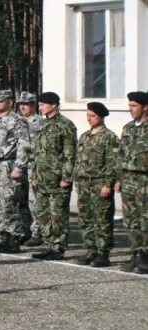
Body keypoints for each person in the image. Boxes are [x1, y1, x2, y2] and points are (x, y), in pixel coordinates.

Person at [30, 92, 77, 261]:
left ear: (54, 105)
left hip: (57, 180)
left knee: (58, 216)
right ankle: (49, 245)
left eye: (43, 104)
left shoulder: (66, 125)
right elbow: (37, 152)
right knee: (43, 215)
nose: (40, 107)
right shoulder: (43, 124)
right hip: (42, 179)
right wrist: (33, 174)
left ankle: (58, 247)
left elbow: (70, 154)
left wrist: (66, 177)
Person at [0, 90, 30, 254]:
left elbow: (23, 145)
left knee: (8, 203)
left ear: (10, 102)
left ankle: (14, 238)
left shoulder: (17, 121)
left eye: (0, 101)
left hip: (6, 167)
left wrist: (19, 167)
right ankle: (3, 236)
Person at [72, 102, 118, 267]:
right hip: (84, 183)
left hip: (99, 183)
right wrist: (77, 180)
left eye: (92, 116)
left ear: (101, 116)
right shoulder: (85, 136)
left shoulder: (109, 137)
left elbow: (112, 163)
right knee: (85, 217)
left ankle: (103, 252)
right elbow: (79, 161)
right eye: (88, 115)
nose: (89, 119)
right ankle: (91, 249)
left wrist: (108, 184)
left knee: (102, 219)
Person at [116, 91, 148, 273]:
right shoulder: (128, 128)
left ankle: (146, 256)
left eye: (134, 106)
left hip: (145, 179)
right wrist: (119, 179)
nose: (131, 109)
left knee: (146, 219)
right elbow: (121, 154)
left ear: (145, 107)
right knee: (131, 220)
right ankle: (137, 254)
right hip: (128, 179)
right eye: (129, 105)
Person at [18, 92, 45, 246]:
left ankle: (37, 232)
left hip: (34, 166)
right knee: (21, 201)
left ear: (33, 105)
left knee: (33, 201)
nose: (23, 107)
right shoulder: (17, 122)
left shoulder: (40, 122)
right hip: (19, 167)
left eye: (26, 104)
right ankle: (25, 229)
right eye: (21, 104)